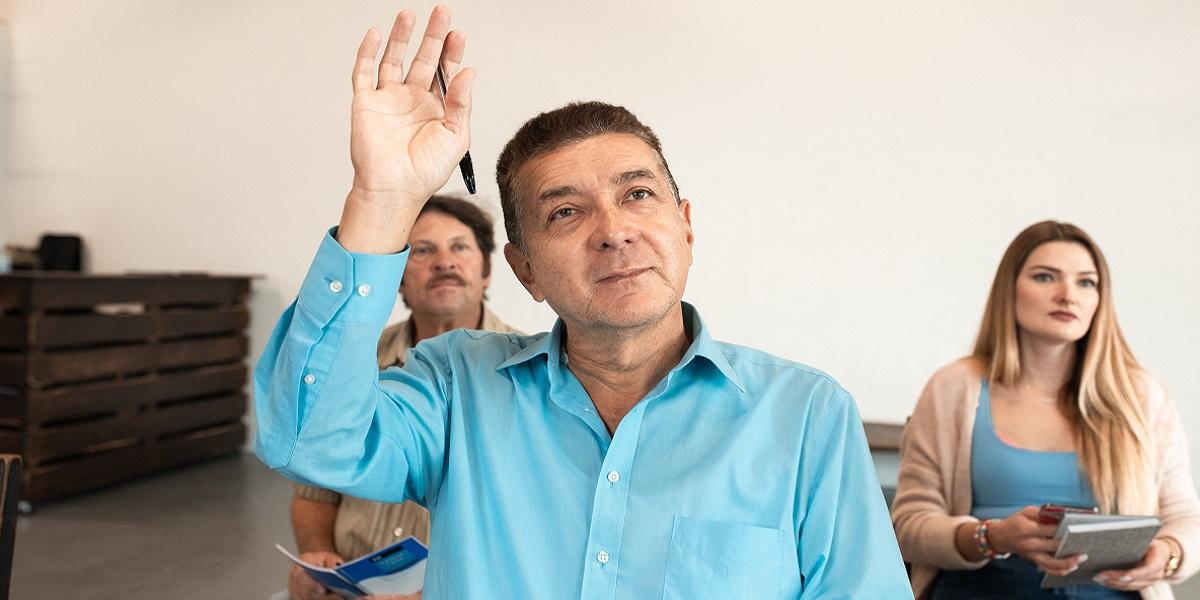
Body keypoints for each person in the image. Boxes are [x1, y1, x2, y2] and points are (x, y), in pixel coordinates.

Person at [256, 7, 910, 598]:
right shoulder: (458, 387)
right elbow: (306, 441)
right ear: (525, 269)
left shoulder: (804, 416)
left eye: (637, 195)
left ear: (685, 227)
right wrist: (384, 198)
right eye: (565, 211)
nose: (614, 229)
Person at [891, 221, 1200, 599]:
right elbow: (907, 527)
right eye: (1045, 277)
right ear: (1010, 291)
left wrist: (1167, 554)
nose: (1068, 295)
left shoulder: (1141, 396)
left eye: (1086, 282)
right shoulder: (953, 388)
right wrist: (992, 536)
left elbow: (1186, 519)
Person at [286, 195, 518, 600]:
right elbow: (314, 491)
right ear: (398, 279)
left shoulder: (530, 374)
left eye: (459, 247)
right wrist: (316, 553)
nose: (444, 262)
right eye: (424, 251)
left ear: (486, 272)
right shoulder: (351, 367)